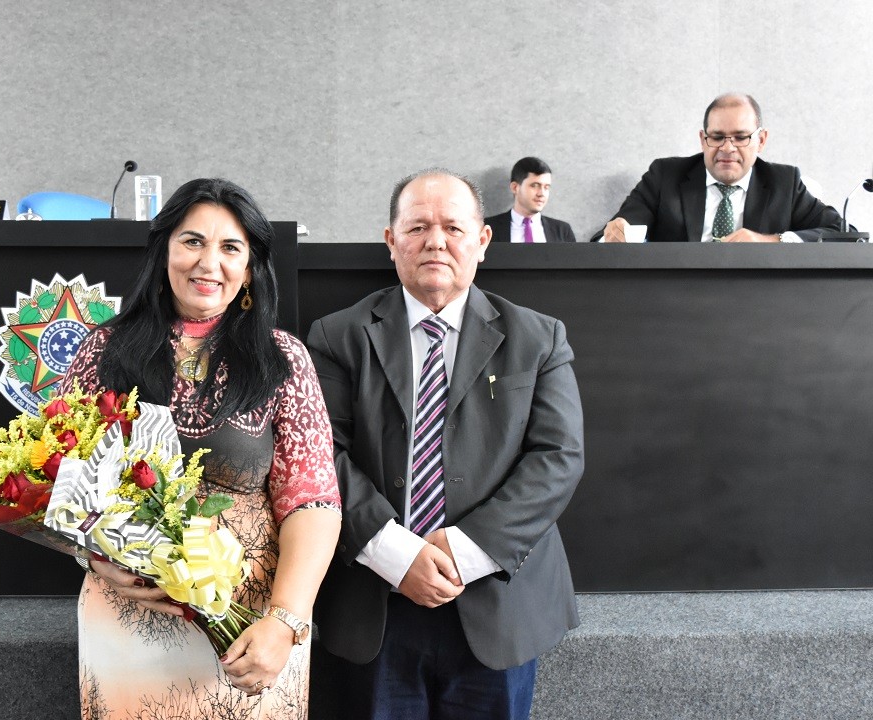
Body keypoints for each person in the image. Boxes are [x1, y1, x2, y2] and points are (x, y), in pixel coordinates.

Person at [307, 168, 584, 720]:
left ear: (482, 241)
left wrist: (461, 553)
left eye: (453, 227)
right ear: (391, 241)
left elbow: (558, 458)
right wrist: (398, 554)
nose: (436, 241)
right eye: (417, 227)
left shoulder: (538, 337)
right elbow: (320, 457)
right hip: (373, 598)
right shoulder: (337, 336)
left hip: (496, 599)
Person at [62, 177, 341, 719]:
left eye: (230, 247)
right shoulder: (103, 349)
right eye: (192, 241)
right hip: (129, 622)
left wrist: (285, 621)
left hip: (249, 629)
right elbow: (63, 481)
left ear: (251, 267)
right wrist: (93, 557)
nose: (208, 262)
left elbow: (313, 502)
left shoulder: (283, 360)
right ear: (163, 250)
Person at [595, 93, 844, 242]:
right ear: (703, 139)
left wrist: (771, 241)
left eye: (740, 137)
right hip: (674, 305)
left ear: (761, 140)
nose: (727, 148)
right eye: (717, 137)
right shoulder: (665, 177)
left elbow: (842, 234)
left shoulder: (784, 183)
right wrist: (613, 235)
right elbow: (609, 235)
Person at [484, 156, 577, 243]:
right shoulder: (487, 228)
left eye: (546, 187)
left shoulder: (563, 231)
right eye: (535, 186)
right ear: (515, 187)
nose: (541, 193)